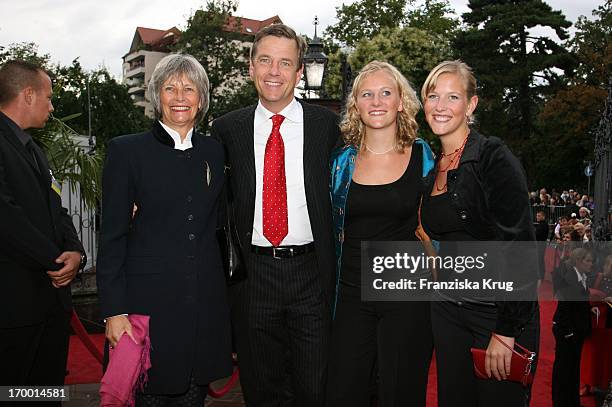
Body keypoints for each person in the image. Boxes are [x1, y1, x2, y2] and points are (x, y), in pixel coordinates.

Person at [210, 23, 339, 406]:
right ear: (250, 66)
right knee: (261, 390)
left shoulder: (329, 127)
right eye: (265, 60)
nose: (274, 72)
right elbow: (209, 196)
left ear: (300, 72)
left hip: (312, 276)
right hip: (253, 279)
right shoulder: (226, 129)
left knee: (315, 389)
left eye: (285, 63)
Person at [96, 54, 232, 405]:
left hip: (202, 310)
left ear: (201, 97)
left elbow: (218, 224)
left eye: (188, 88)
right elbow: (111, 238)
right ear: (157, 96)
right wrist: (113, 311)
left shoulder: (215, 153)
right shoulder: (127, 152)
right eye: (170, 88)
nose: (179, 97)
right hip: (148, 312)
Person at [419, 60, 539, 406]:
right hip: (446, 312)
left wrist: (506, 329)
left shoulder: (492, 157)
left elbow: (519, 244)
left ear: (471, 105)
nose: (440, 106)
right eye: (433, 96)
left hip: (494, 313)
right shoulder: (433, 169)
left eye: (452, 97)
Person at [327, 61, 435, 406]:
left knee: (401, 391)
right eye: (367, 94)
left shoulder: (423, 155)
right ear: (355, 105)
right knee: (344, 391)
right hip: (349, 294)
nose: (376, 101)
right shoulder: (341, 160)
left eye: (386, 93)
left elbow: (439, 223)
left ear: (401, 101)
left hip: (406, 293)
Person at [0, 60, 85, 393]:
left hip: (49, 306)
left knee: (46, 393)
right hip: (12, 308)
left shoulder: (34, 150)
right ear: (28, 94)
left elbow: (57, 209)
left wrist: (75, 252)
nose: (51, 106)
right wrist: (55, 261)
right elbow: (6, 217)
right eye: (48, 98)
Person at [551, 247, 594, 407]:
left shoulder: (581, 277)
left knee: (573, 369)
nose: (591, 264)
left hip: (576, 331)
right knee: (564, 370)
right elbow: (564, 310)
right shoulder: (569, 279)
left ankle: (571, 402)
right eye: (588, 261)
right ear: (578, 261)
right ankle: (561, 402)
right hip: (568, 333)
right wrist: (568, 334)